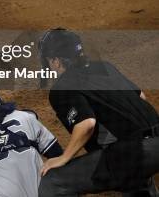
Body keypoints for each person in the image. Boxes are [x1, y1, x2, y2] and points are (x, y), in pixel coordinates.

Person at [37, 28, 159, 196]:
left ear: (56, 61)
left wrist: (64, 157)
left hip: (135, 152)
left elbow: (87, 124)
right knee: (133, 178)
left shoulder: (62, 86)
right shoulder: (105, 67)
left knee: (52, 181)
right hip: (152, 142)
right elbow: (141, 97)